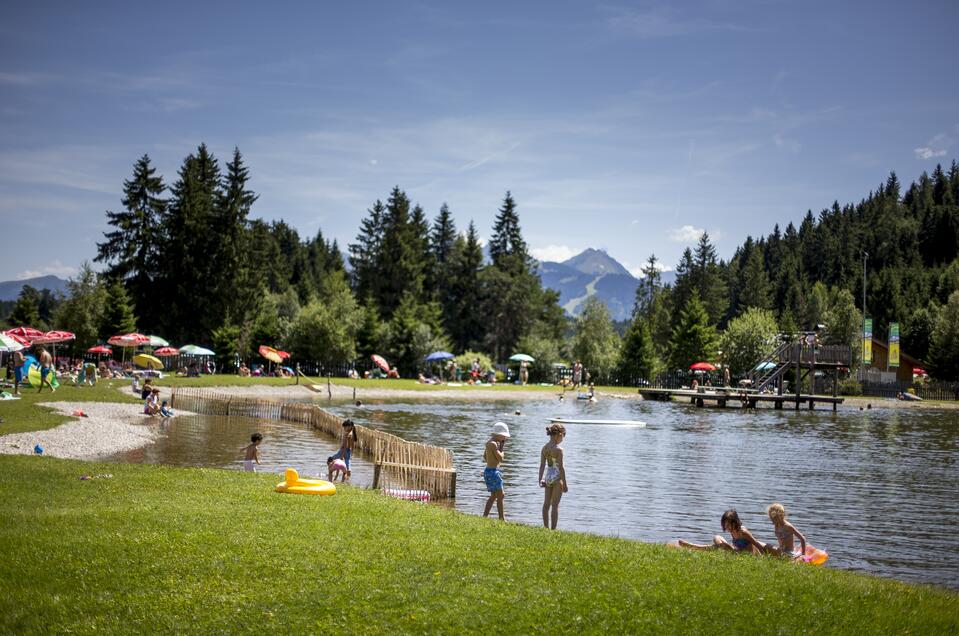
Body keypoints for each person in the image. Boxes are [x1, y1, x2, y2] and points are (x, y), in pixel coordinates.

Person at [677, 509, 765, 554]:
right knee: (717, 537)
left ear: (735, 522)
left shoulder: (743, 531)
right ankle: (718, 549)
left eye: (729, 525)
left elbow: (756, 543)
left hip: (745, 554)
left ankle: (694, 547)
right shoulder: (732, 530)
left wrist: (762, 556)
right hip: (736, 551)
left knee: (721, 546)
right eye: (725, 525)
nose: (727, 528)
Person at [538, 423, 568, 529]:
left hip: (548, 477)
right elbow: (561, 468)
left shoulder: (544, 448)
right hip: (557, 478)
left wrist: (540, 479)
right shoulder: (559, 450)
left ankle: (546, 527)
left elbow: (542, 465)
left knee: (546, 504)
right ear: (558, 435)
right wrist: (564, 484)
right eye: (563, 436)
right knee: (555, 505)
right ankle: (553, 529)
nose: (563, 439)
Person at [482, 422, 510, 521]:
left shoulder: (488, 443)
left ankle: (485, 516)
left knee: (494, 496)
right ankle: (502, 518)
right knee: (501, 495)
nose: (505, 439)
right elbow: (501, 458)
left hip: (488, 471)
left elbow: (485, 457)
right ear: (499, 434)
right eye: (504, 437)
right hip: (493, 472)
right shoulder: (494, 444)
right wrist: (502, 450)